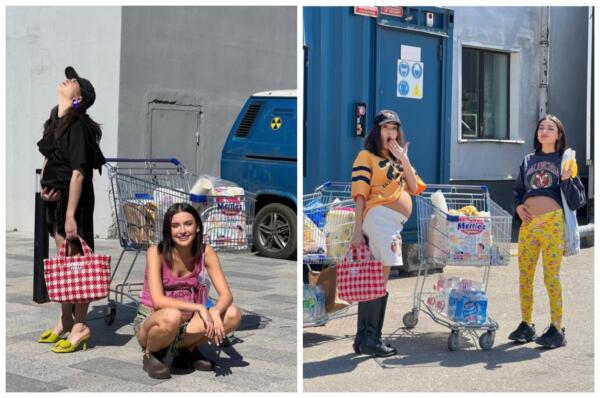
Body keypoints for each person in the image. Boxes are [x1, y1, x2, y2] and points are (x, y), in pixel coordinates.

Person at [36, 66, 106, 353]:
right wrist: (44, 188)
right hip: (56, 199)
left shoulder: (77, 126)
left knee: (78, 263)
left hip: (74, 202)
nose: (68, 80)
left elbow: (79, 172)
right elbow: (49, 159)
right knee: (66, 262)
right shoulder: (56, 119)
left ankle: (80, 325)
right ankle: (65, 318)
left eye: (74, 81)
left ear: (79, 99)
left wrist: (69, 216)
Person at [134, 203, 242, 379]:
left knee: (233, 314)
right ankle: (152, 354)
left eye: (188, 224)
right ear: (168, 230)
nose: (182, 230)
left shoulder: (205, 252)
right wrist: (199, 308)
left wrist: (215, 311)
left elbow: (227, 295)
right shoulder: (156, 252)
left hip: (186, 321)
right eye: (175, 226)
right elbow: (158, 301)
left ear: (198, 226)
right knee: (171, 315)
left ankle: (185, 351)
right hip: (154, 319)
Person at [350, 109, 426, 357]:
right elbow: (360, 195)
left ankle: (363, 339)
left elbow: (414, 188)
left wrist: (404, 159)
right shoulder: (366, 156)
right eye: (386, 128)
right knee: (379, 281)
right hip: (379, 220)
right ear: (376, 131)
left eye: (394, 128)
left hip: (392, 224)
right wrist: (357, 231)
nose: (391, 133)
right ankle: (372, 339)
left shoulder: (398, 157)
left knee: (374, 280)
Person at [509, 114, 586, 348]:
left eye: (550, 128)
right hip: (529, 225)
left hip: (553, 224)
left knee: (550, 277)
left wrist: (566, 180)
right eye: (541, 127)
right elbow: (518, 192)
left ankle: (556, 328)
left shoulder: (565, 160)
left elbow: (578, 199)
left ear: (559, 134)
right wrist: (518, 208)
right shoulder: (528, 160)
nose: (544, 131)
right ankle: (526, 324)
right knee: (525, 277)